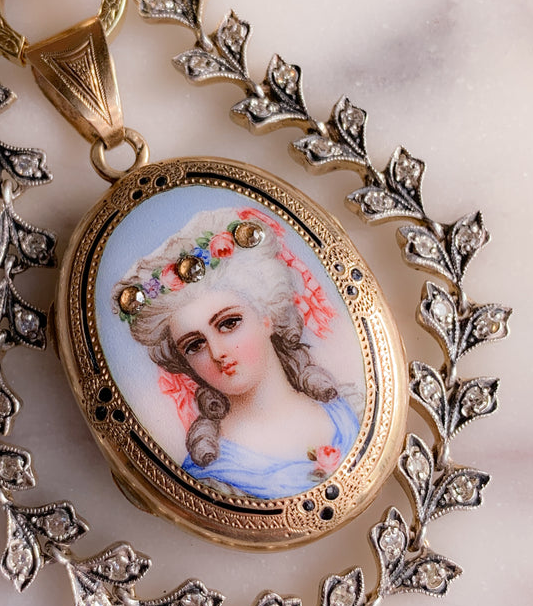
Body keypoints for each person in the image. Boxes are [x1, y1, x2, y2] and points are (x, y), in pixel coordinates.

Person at [112, 206, 361, 500]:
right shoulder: (210, 479)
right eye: (195, 345)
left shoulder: (350, 409)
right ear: (185, 362)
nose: (218, 353)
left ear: (267, 315)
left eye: (229, 324)